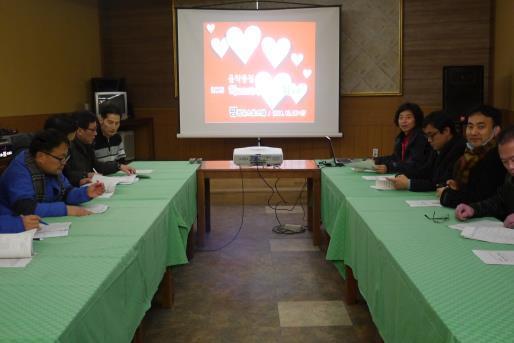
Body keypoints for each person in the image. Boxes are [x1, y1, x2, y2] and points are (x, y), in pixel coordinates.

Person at [0, 129, 104, 218]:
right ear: (41, 156)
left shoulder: (52, 166)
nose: (64, 162)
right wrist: (65, 210)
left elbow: (66, 193)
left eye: (65, 157)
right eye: (60, 158)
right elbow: (25, 208)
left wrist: (85, 192)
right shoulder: (19, 171)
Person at [439, 105, 506, 208]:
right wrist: (456, 186)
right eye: (470, 126)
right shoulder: (468, 152)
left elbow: (481, 198)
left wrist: (447, 194)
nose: (473, 132)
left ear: (496, 131)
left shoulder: (497, 156)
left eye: (481, 127)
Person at [389, 111, 466, 191]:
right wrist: (403, 175)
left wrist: (409, 184)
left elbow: (441, 182)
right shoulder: (439, 147)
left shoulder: (459, 149)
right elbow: (425, 171)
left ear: (446, 131)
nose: (429, 140)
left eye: (431, 135)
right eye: (427, 136)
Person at [455, 125, 514, 228]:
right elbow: (500, 202)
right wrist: (473, 209)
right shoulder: (510, 177)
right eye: (504, 162)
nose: (510, 167)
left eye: (513, 159)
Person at [64, 111, 135, 186]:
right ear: (80, 131)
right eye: (92, 130)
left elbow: (97, 166)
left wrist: (118, 166)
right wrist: (86, 175)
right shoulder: (67, 148)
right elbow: (65, 174)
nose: (96, 133)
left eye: (96, 130)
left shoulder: (87, 145)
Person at [374, 102, 432, 176]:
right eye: (401, 118)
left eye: (408, 117)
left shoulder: (420, 137)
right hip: (404, 175)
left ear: (416, 119)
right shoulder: (401, 137)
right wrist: (376, 160)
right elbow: (396, 158)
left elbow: (414, 164)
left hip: (417, 178)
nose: (404, 121)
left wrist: (389, 167)